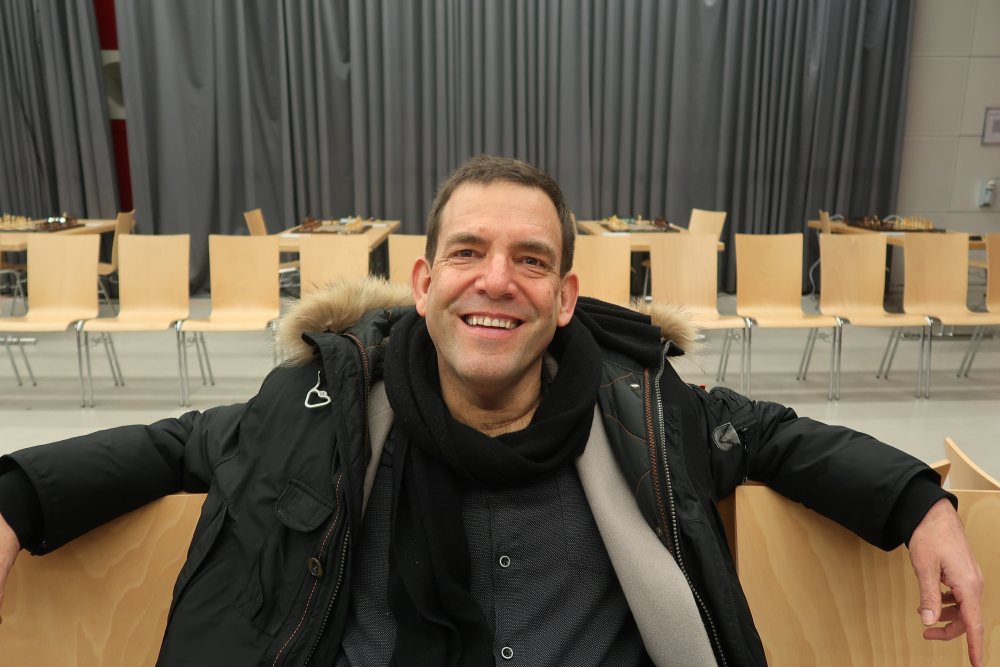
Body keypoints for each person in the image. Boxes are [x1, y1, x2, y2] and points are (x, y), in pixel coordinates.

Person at [0, 155, 984, 666]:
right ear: (423, 282)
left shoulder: (642, 409)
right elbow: (175, 444)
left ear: (565, 297)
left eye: (531, 259)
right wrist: (15, 498)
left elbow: (769, 434)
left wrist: (918, 503)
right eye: (468, 251)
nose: (496, 280)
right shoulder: (323, 410)